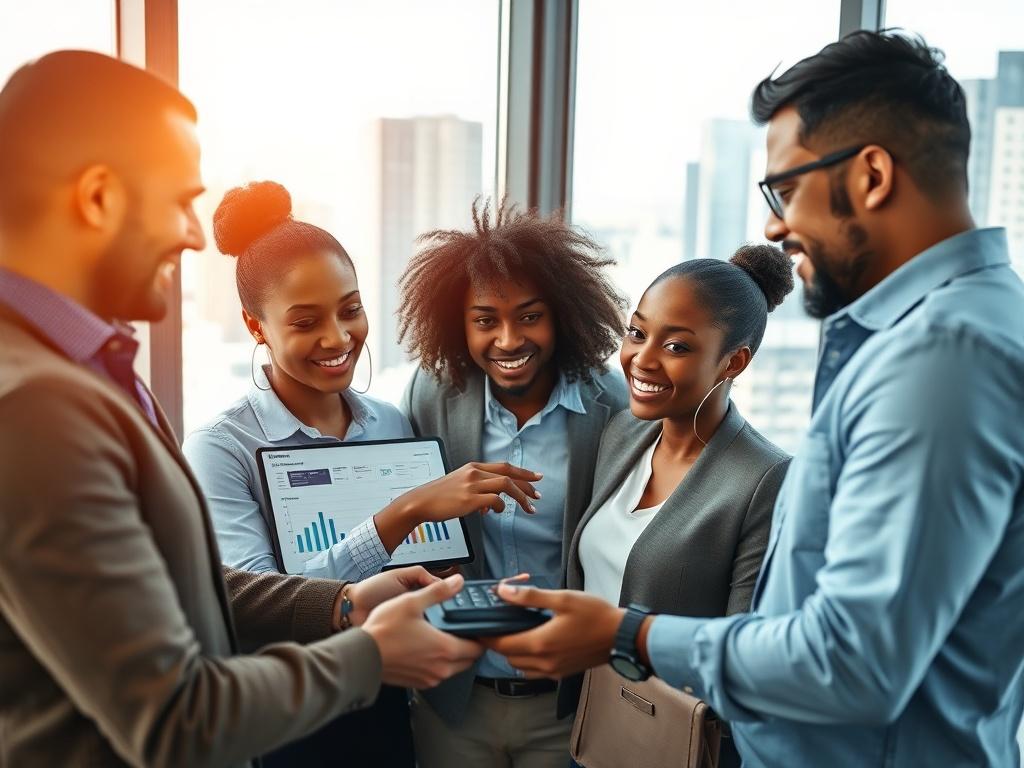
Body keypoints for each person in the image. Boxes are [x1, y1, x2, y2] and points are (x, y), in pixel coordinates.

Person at [481, 30, 1024, 768]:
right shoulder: (952, 329)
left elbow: (853, 661)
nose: (773, 224)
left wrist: (625, 633)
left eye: (786, 189)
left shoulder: (941, 358)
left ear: (871, 175)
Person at [0, 50, 482, 768]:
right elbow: (177, 719)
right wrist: (370, 654)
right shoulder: (35, 405)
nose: (195, 235)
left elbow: (179, 578)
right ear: (98, 199)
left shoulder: (82, 370)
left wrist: (342, 606)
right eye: (179, 202)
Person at [182, 180, 542, 767]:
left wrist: (458, 584)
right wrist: (405, 512)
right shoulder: (221, 448)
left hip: (388, 705)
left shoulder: (390, 422)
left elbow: (411, 576)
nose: (338, 337)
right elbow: (263, 606)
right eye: (305, 322)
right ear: (255, 325)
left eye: (350, 310)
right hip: (285, 718)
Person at [397, 199, 629, 768]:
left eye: (529, 316)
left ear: (564, 314)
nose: (508, 340)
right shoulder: (431, 394)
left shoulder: (613, 405)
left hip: (567, 701)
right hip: (457, 698)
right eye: (485, 321)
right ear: (458, 325)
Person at [561, 244, 793, 766]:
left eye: (677, 346)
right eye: (637, 333)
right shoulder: (624, 432)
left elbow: (746, 648)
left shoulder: (766, 478)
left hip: (673, 744)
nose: (642, 359)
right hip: (593, 726)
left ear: (733, 362)